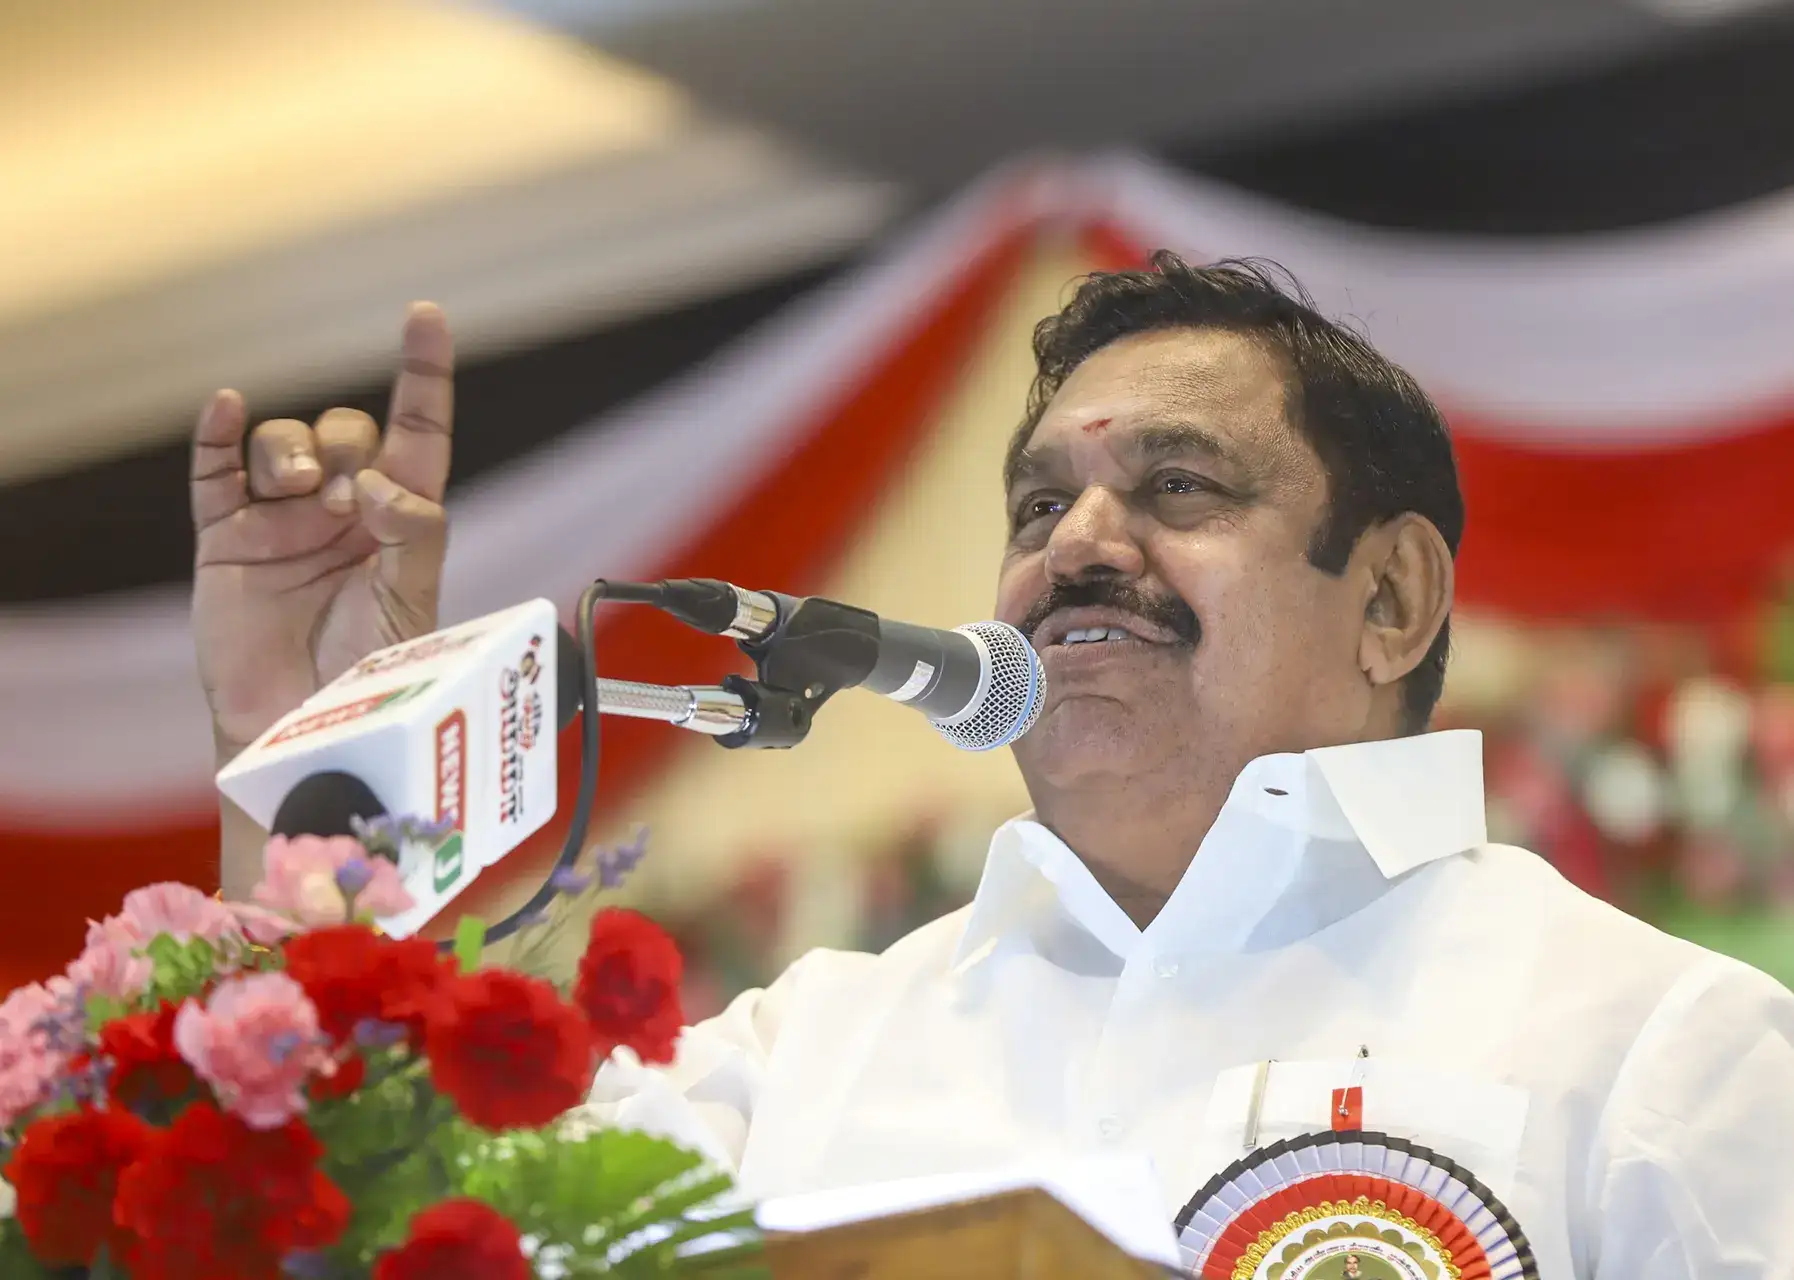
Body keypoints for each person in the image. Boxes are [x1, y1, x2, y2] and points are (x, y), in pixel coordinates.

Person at [196, 255, 1794, 1276]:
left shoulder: (1660, 1047)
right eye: (1038, 506)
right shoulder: (795, 1058)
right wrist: (320, 758)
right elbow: (352, 1222)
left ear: (1386, 599)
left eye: (1178, 485)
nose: (1078, 541)